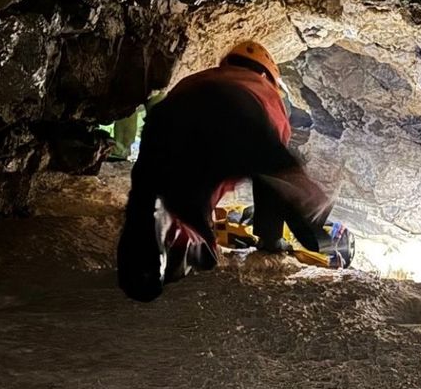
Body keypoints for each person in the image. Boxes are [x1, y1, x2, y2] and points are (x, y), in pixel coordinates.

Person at [117, 40, 330, 302]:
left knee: (155, 195)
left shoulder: (204, 77)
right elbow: (270, 179)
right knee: (288, 183)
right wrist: (271, 238)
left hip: (167, 116)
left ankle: (144, 263)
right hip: (236, 112)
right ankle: (187, 247)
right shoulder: (266, 93)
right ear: (266, 74)